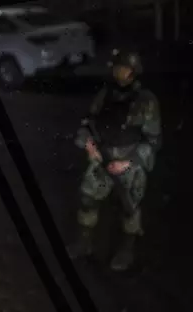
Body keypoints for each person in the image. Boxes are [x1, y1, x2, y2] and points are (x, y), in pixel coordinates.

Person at [67, 47, 162, 271]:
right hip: (102, 156)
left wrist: (129, 162)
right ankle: (84, 244)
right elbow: (87, 122)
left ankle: (126, 251)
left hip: (129, 161)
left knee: (129, 208)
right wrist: (88, 144)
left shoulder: (146, 101)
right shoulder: (104, 94)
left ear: (134, 72)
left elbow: (153, 140)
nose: (120, 72)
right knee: (87, 199)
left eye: (125, 69)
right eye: (118, 68)